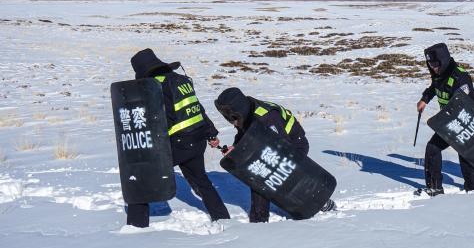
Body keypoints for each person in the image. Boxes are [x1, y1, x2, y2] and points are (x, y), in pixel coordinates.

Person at [127, 48, 230, 227]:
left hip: (180, 143)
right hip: (197, 140)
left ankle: (135, 226)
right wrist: (210, 133)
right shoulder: (180, 79)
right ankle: (222, 218)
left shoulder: (157, 85)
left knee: (143, 177)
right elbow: (197, 108)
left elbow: (164, 118)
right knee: (201, 181)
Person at [214, 87, 335, 223]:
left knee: (266, 179)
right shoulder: (246, 113)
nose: (231, 121)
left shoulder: (266, 117)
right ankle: (261, 218)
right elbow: (246, 134)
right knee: (263, 176)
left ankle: (260, 222)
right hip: (276, 147)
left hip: (294, 145)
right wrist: (235, 148)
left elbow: (280, 146)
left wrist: (244, 150)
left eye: (230, 116)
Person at [416, 43, 474, 196]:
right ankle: (435, 187)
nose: (433, 67)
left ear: (443, 59)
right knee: (432, 149)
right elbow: (434, 87)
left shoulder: (460, 77)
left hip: (466, 123)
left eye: (435, 63)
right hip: (449, 122)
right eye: (430, 64)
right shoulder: (439, 75)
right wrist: (424, 100)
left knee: (466, 155)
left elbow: (467, 105)